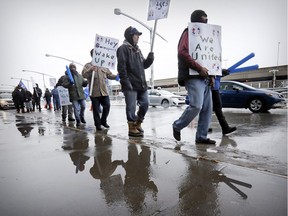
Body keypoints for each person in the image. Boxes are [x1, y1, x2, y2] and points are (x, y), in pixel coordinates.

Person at [172, 10, 216, 144]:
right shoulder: (188, 33)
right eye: (203, 20)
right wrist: (199, 68)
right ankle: (177, 125)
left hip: (205, 77)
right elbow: (182, 52)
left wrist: (212, 75)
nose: (206, 23)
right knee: (196, 105)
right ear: (196, 21)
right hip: (193, 76)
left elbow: (210, 57)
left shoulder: (207, 37)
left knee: (207, 109)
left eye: (207, 20)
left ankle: (201, 137)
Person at [116, 26, 154, 137]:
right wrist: (126, 83)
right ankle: (131, 128)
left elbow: (144, 65)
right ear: (130, 36)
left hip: (141, 83)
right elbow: (121, 68)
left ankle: (138, 123)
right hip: (130, 84)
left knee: (145, 104)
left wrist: (150, 59)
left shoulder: (138, 50)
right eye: (136, 35)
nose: (138, 37)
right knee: (131, 107)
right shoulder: (123, 49)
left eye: (138, 35)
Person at [82, 49, 118, 131]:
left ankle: (103, 121)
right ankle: (98, 125)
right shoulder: (88, 65)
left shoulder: (104, 65)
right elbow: (84, 74)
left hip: (104, 91)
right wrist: (91, 69)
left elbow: (109, 75)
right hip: (94, 92)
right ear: (93, 55)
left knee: (107, 106)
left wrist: (116, 76)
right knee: (96, 109)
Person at [211, 70, 237, 135]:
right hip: (212, 88)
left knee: (215, 109)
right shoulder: (213, 67)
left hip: (214, 88)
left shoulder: (216, 68)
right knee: (216, 109)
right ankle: (225, 128)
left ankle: (225, 127)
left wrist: (222, 72)